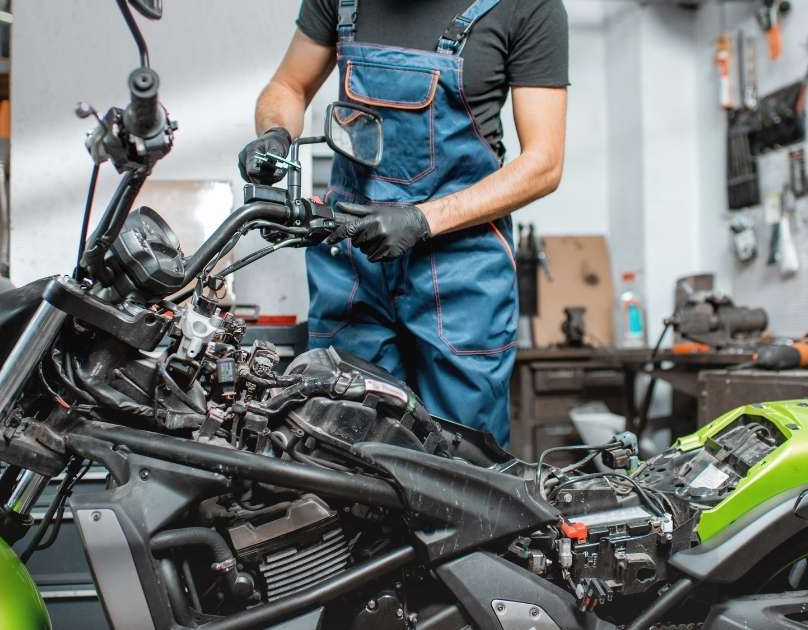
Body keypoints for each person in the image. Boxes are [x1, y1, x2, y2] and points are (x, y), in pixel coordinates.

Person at [240, 0, 568, 445]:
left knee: (463, 461)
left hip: (461, 272)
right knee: (343, 443)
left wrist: (422, 220)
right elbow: (289, 85)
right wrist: (274, 132)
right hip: (354, 258)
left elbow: (544, 163)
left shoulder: (527, 7)